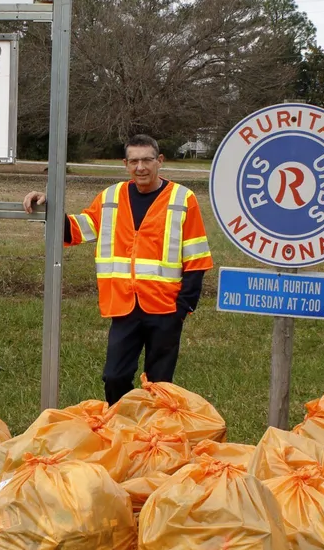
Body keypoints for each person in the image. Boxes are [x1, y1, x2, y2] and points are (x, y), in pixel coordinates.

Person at [23, 134, 213, 404]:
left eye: (147, 160)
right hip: (123, 306)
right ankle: (121, 422)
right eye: (134, 161)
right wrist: (48, 208)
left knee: (159, 385)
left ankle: (153, 428)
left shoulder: (183, 199)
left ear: (159, 161)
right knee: (114, 376)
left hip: (166, 309)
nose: (140, 167)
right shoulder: (110, 197)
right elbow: (75, 230)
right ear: (125, 164)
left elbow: (197, 258)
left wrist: (183, 309)